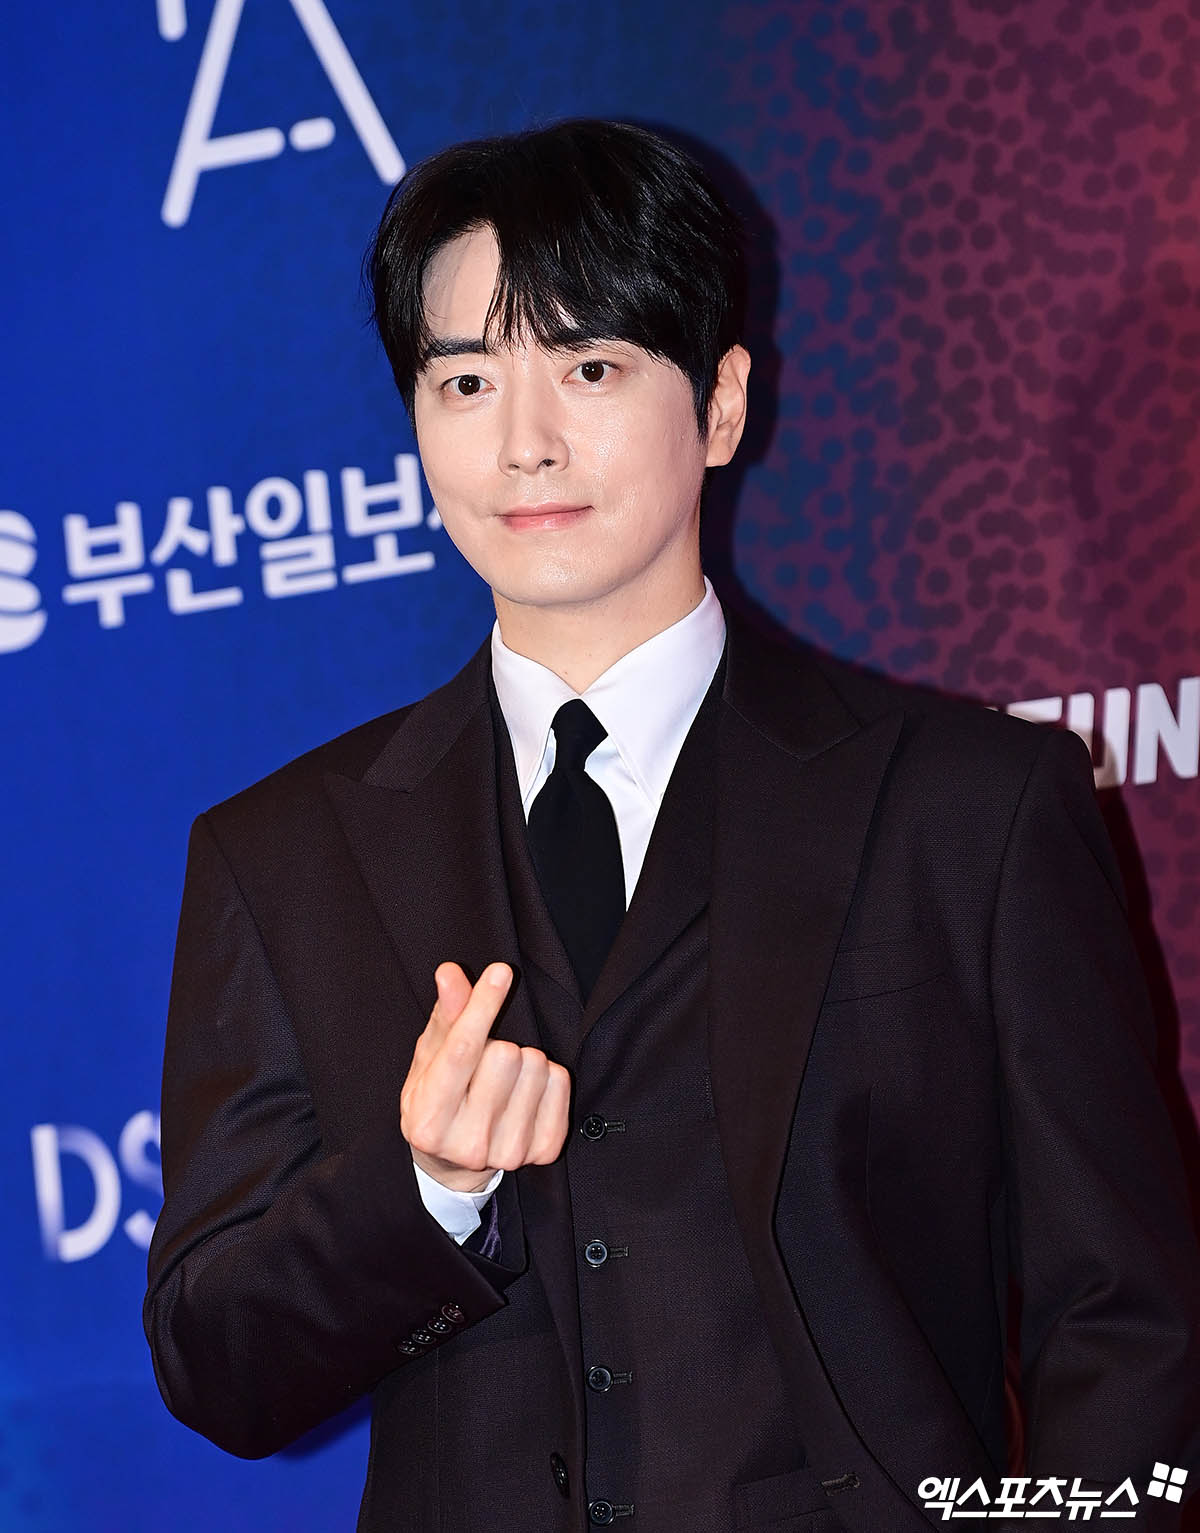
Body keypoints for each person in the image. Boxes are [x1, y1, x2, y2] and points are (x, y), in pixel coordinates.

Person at [144, 118, 1200, 1532]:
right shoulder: (283, 856)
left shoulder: (970, 809)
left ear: (720, 405)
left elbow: (1125, 1319)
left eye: (589, 367)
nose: (525, 444)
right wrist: (427, 1188)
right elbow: (217, 1363)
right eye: (466, 381)